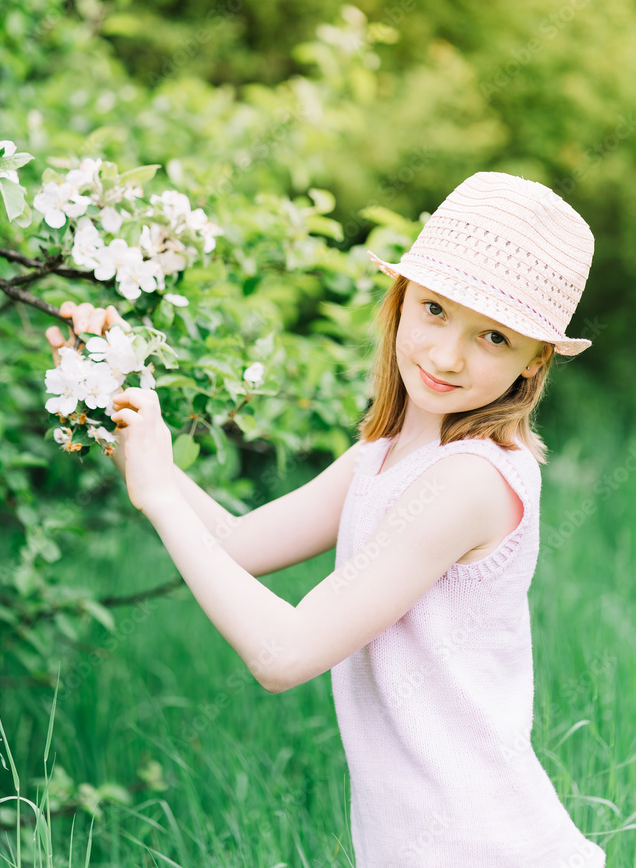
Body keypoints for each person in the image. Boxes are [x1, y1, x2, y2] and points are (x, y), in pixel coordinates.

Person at [46, 170, 606, 867]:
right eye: (434, 309)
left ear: (533, 362)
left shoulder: (471, 478)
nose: (445, 355)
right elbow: (236, 544)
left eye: (493, 336)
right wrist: (118, 404)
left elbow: (283, 655)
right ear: (401, 300)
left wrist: (160, 490)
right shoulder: (386, 453)